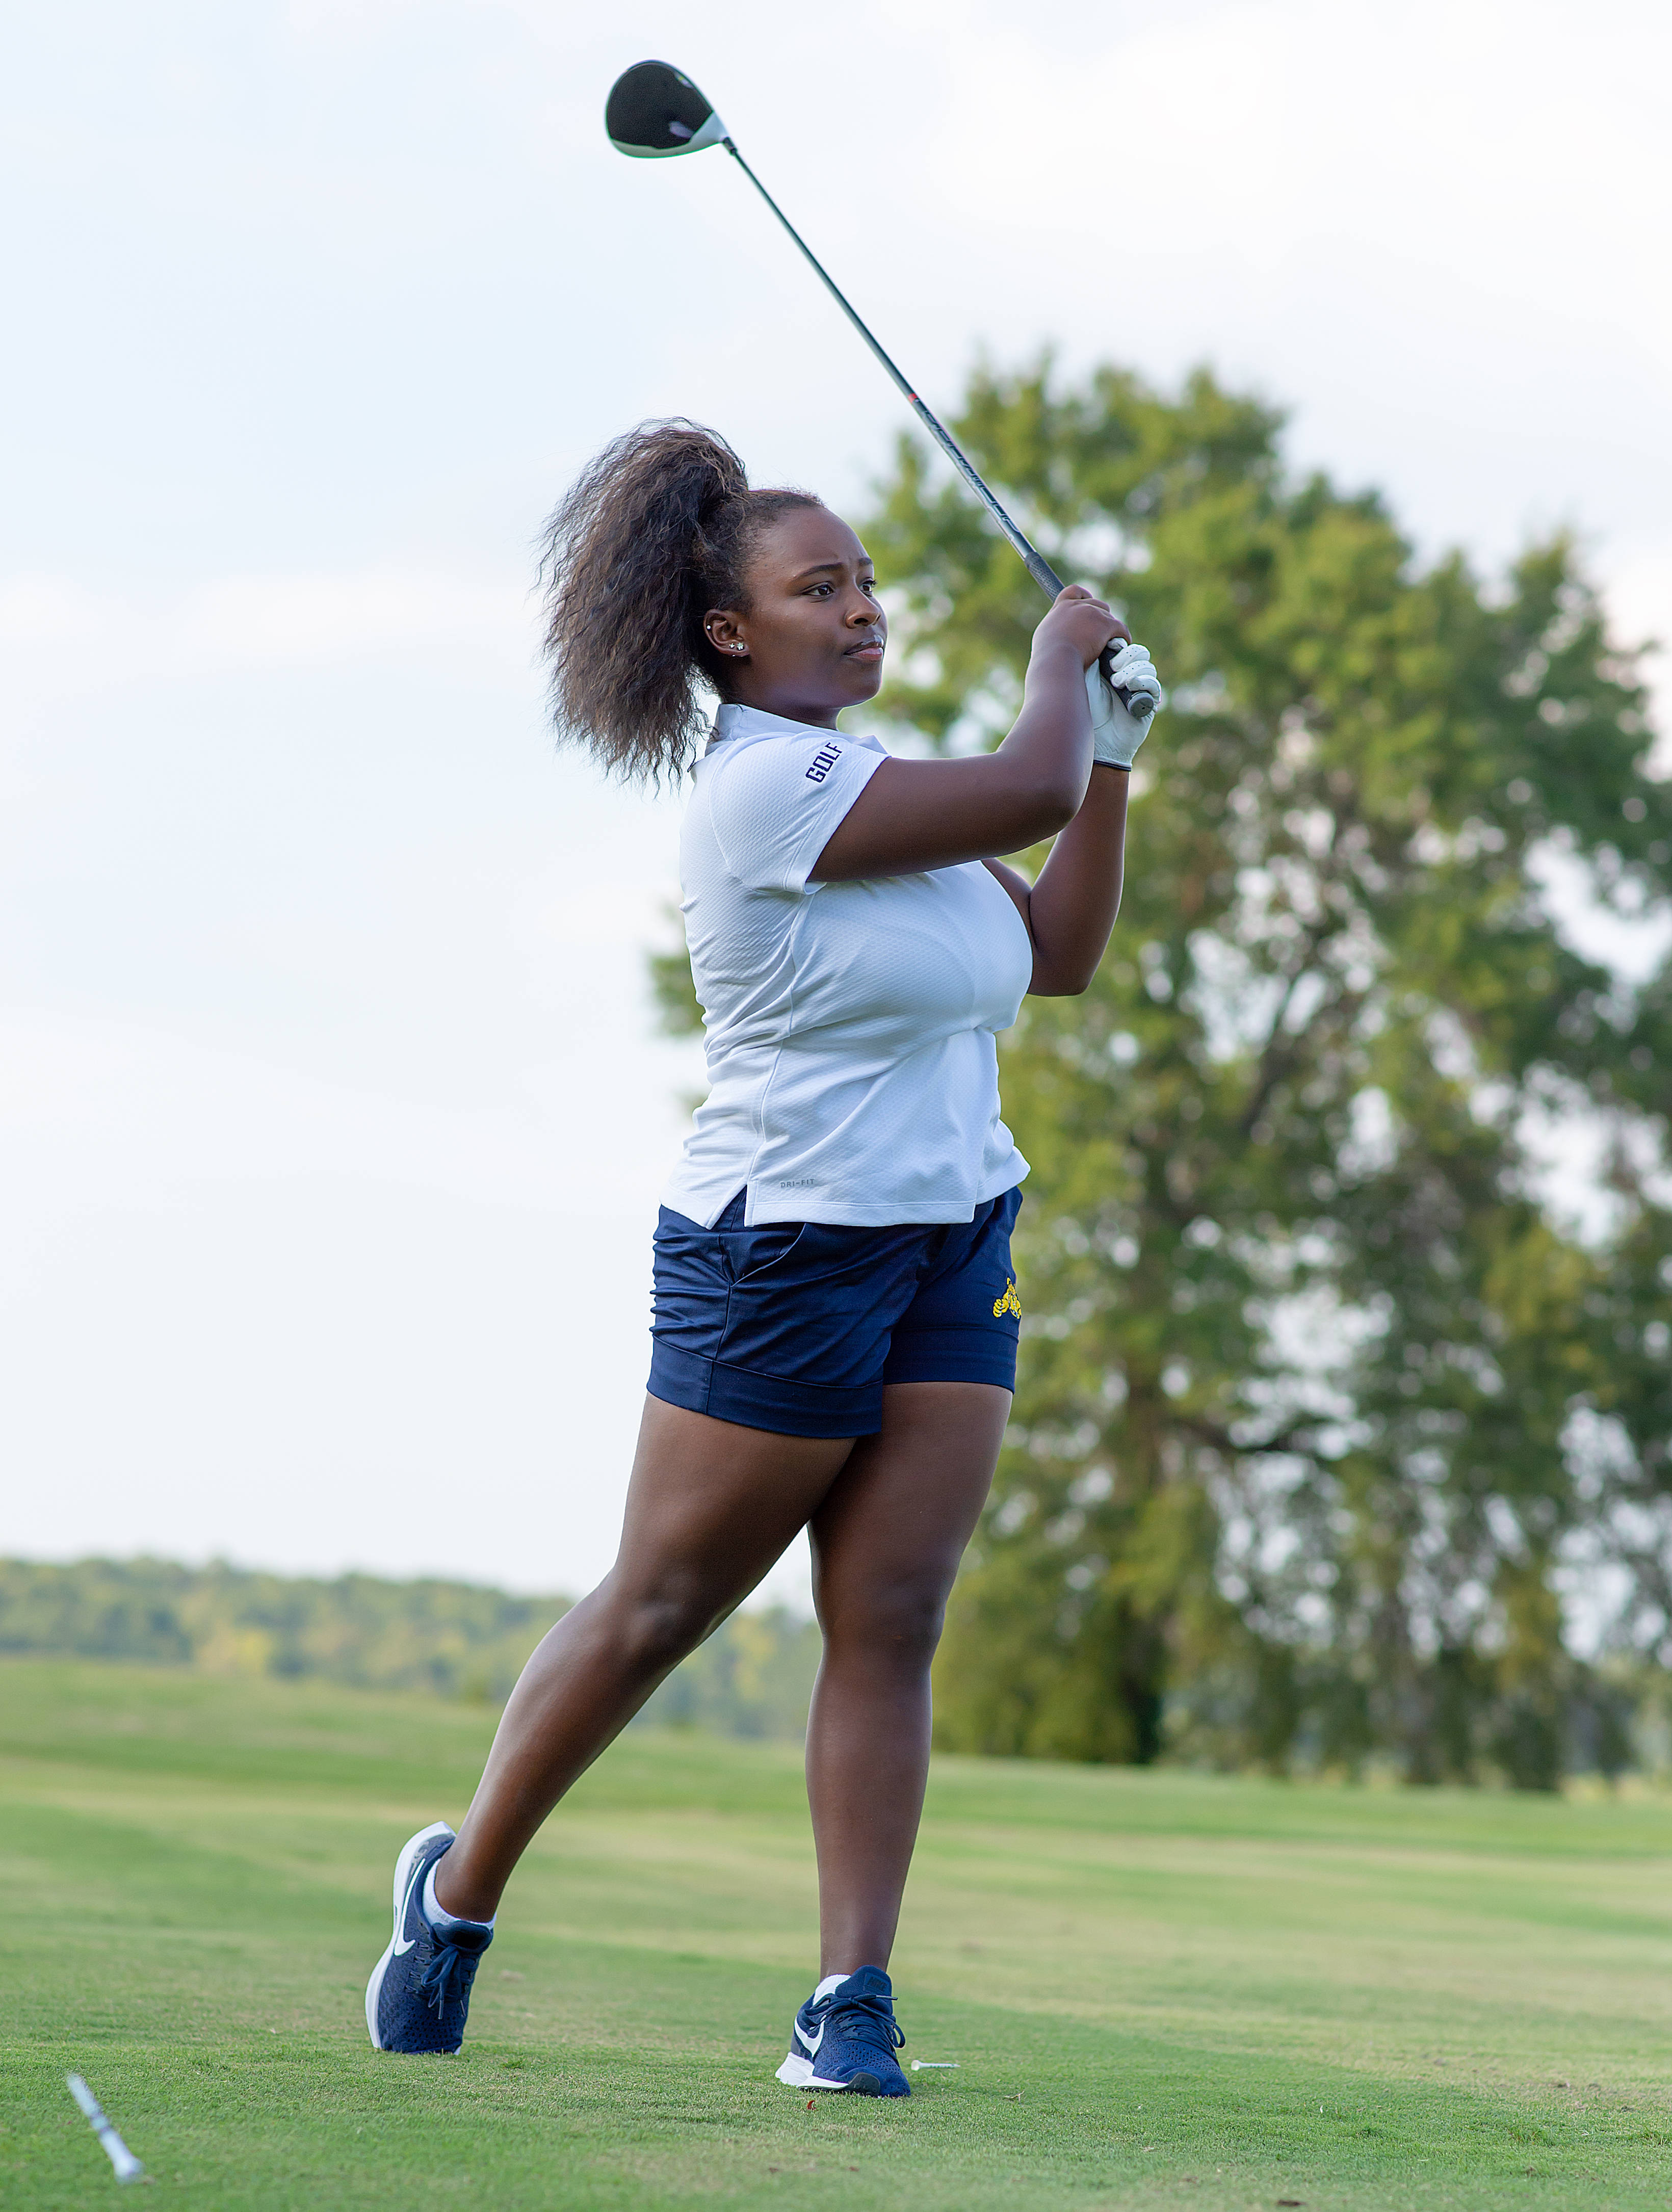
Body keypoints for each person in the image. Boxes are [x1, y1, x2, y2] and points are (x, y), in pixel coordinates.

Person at [364, 420, 1162, 2095]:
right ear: (732, 633)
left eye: (868, 582)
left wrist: (1111, 766)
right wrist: (1060, 685)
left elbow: (1065, 951)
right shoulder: (757, 791)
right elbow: (1017, 778)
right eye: (823, 587)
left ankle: (849, 1996)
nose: (863, 609)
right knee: (665, 1604)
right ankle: (456, 1893)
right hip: (781, 1249)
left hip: (955, 1235)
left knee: (892, 1609)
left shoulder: (896, 798)